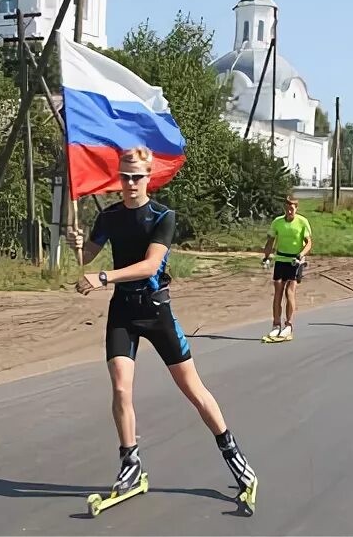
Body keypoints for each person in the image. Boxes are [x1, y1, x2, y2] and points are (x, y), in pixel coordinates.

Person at [67, 147, 258, 511]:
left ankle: (237, 461)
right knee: (121, 387)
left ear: (149, 178)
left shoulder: (161, 216)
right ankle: (130, 466)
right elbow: (86, 258)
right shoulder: (109, 216)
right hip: (122, 310)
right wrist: (77, 245)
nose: (130, 183)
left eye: (137, 176)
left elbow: (150, 264)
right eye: (124, 176)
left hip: (155, 309)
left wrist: (104, 276)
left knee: (193, 390)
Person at [261, 196, 312, 341]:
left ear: (296, 208)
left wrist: (301, 255)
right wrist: (266, 257)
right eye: (287, 208)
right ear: (285, 208)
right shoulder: (277, 222)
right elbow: (270, 241)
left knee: (290, 291)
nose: (290, 211)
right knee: (278, 291)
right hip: (281, 259)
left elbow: (309, 243)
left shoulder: (302, 222)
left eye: (292, 208)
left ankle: (288, 325)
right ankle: (276, 325)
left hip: (296, 260)